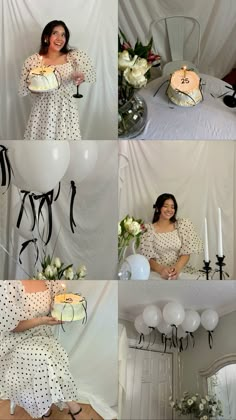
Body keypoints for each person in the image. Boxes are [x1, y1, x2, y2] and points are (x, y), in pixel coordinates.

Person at [0, 280, 84, 419]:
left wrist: (62, 313)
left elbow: (55, 308)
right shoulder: (8, 285)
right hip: (14, 342)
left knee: (48, 358)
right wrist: (42, 321)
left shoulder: (50, 281)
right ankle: (75, 409)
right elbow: (13, 327)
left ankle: (46, 411)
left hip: (42, 336)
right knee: (44, 357)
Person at [19, 20, 96, 140]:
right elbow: (28, 88)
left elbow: (88, 74)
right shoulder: (34, 61)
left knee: (67, 144)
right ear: (46, 37)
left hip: (66, 110)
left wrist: (81, 77)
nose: (60, 38)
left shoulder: (73, 57)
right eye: (55, 33)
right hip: (43, 111)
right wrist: (38, 87)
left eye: (63, 34)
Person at [140, 193, 203, 280]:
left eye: (172, 207)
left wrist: (176, 269)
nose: (169, 209)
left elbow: (186, 252)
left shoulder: (182, 225)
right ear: (158, 208)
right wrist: (162, 270)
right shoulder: (148, 229)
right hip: (158, 273)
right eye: (166, 206)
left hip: (180, 270)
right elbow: (148, 258)